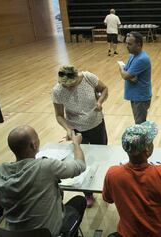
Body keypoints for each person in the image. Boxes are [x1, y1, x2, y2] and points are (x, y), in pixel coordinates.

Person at [0, 125, 86, 237]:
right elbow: (79, 165)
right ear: (34, 145)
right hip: (47, 234)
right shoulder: (45, 166)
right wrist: (76, 144)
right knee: (79, 201)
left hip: (12, 234)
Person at [52, 65, 108, 207]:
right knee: (81, 160)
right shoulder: (58, 91)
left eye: (72, 85)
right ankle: (87, 193)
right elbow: (59, 115)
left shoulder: (88, 77)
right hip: (76, 129)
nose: (69, 88)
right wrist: (68, 128)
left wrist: (99, 102)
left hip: (96, 124)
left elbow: (105, 89)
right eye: (66, 86)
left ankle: (105, 187)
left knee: (102, 156)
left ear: (77, 78)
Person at [118, 31, 152, 124]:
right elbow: (129, 72)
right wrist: (129, 75)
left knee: (140, 125)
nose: (127, 46)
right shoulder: (133, 55)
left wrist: (121, 69)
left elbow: (125, 75)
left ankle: (145, 139)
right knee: (139, 124)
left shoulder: (142, 59)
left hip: (140, 98)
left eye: (130, 44)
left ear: (138, 44)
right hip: (136, 96)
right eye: (126, 43)